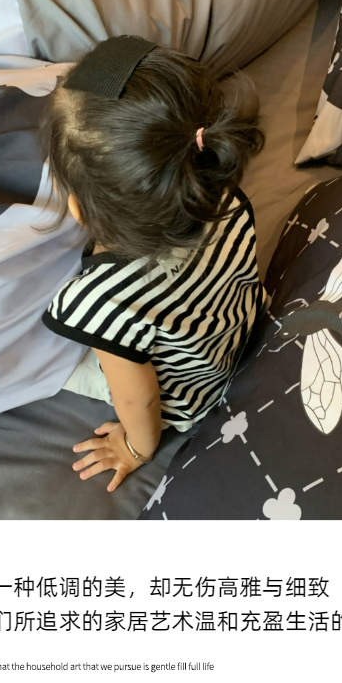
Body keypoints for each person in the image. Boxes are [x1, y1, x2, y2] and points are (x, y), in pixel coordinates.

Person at [40, 35, 266, 492]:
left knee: (46, 366)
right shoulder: (218, 194)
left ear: (77, 208)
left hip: (189, 396)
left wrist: (136, 447)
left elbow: (140, 401)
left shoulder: (97, 303)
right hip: (241, 326)